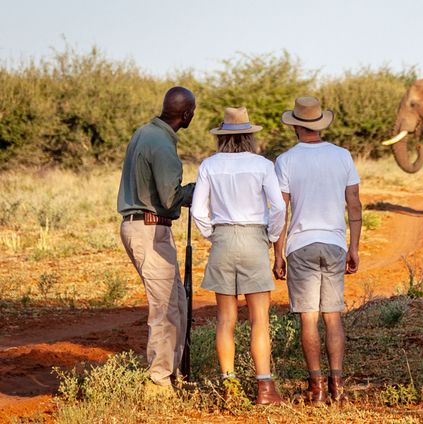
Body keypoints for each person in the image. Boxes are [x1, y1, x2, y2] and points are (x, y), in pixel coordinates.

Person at [191, 107, 286, 405]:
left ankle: (229, 387)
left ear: (222, 136)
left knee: (225, 319)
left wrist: (212, 234)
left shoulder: (209, 165)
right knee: (260, 319)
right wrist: (270, 237)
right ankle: (265, 389)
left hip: (223, 238)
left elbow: (197, 211)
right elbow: (279, 208)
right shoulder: (262, 165)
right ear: (249, 136)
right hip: (254, 238)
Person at [273, 96, 362, 405]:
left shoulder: (285, 161)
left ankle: (317, 387)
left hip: (300, 246)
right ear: (319, 124)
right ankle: (338, 386)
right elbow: (354, 206)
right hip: (336, 243)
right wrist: (354, 246)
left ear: (296, 125)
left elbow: (280, 212)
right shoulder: (343, 156)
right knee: (333, 317)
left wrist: (277, 253)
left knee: (308, 319)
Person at [117, 86, 196, 395]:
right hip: (149, 230)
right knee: (164, 310)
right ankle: (159, 384)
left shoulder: (146, 132)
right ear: (187, 114)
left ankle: (174, 374)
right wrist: (200, 190)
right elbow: (170, 196)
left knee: (178, 303)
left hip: (146, 227)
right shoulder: (162, 143)